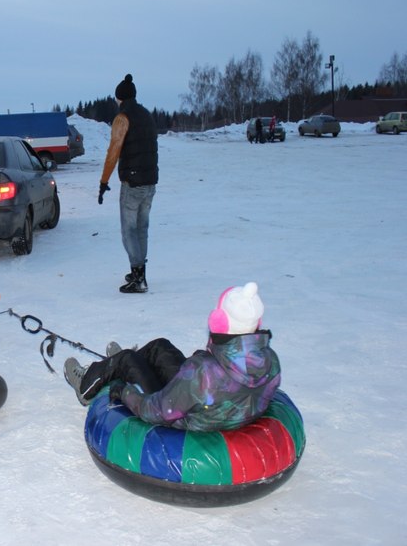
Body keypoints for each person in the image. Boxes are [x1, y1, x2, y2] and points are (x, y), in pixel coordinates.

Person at [64, 282, 281, 431]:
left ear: (220, 322)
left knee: (126, 359)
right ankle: (128, 366)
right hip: (213, 401)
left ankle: (87, 385)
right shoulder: (271, 362)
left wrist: (125, 392)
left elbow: (154, 411)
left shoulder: (201, 373)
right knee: (160, 347)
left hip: (184, 421)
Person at [98, 74, 159, 294]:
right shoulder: (146, 115)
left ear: (119, 98)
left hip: (132, 183)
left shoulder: (123, 118)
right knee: (142, 229)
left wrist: (104, 181)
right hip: (150, 181)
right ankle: (140, 272)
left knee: (128, 231)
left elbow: (113, 151)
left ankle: (138, 276)